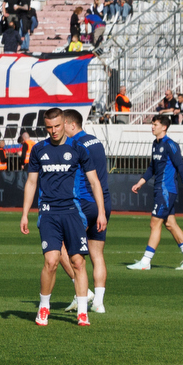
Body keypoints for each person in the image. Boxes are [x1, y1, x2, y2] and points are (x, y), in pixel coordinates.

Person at [19, 108, 107, 327]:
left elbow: (95, 182)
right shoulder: (39, 149)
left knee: (78, 262)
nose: (54, 131)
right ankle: (44, 306)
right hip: (48, 212)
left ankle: (83, 312)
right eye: (49, 127)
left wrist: (102, 212)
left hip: (73, 211)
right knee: (51, 261)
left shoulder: (78, 148)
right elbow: (31, 183)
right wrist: (24, 214)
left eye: (57, 126)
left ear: (64, 123)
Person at [127, 114, 183, 270]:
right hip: (160, 189)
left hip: (166, 190)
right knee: (170, 224)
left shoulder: (171, 145)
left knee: (155, 223)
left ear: (164, 127)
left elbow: (180, 167)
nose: (152, 126)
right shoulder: (155, 144)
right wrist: (140, 182)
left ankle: (145, 262)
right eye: (152, 124)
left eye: (156, 124)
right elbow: (152, 167)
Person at [64, 108, 111, 312]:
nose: (59, 129)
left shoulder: (74, 144)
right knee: (97, 254)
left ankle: (83, 292)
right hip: (103, 203)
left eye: (62, 125)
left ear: (72, 125)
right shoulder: (95, 141)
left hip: (83, 202)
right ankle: (99, 303)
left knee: (59, 248)